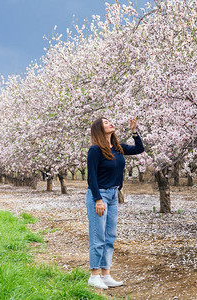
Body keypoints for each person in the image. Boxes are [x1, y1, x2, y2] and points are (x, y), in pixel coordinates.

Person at [86, 116, 144, 289]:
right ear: (99, 129)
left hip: (112, 195)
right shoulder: (95, 150)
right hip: (100, 195)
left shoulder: (118, 148)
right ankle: (94, 275)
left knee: (110, 237)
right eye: (105, 123)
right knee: (98, 237)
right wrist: (97, 199)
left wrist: (134, 131)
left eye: (109, 121)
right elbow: (91, 177)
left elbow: (139, 149)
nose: (110, 123)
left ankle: (106, 274)